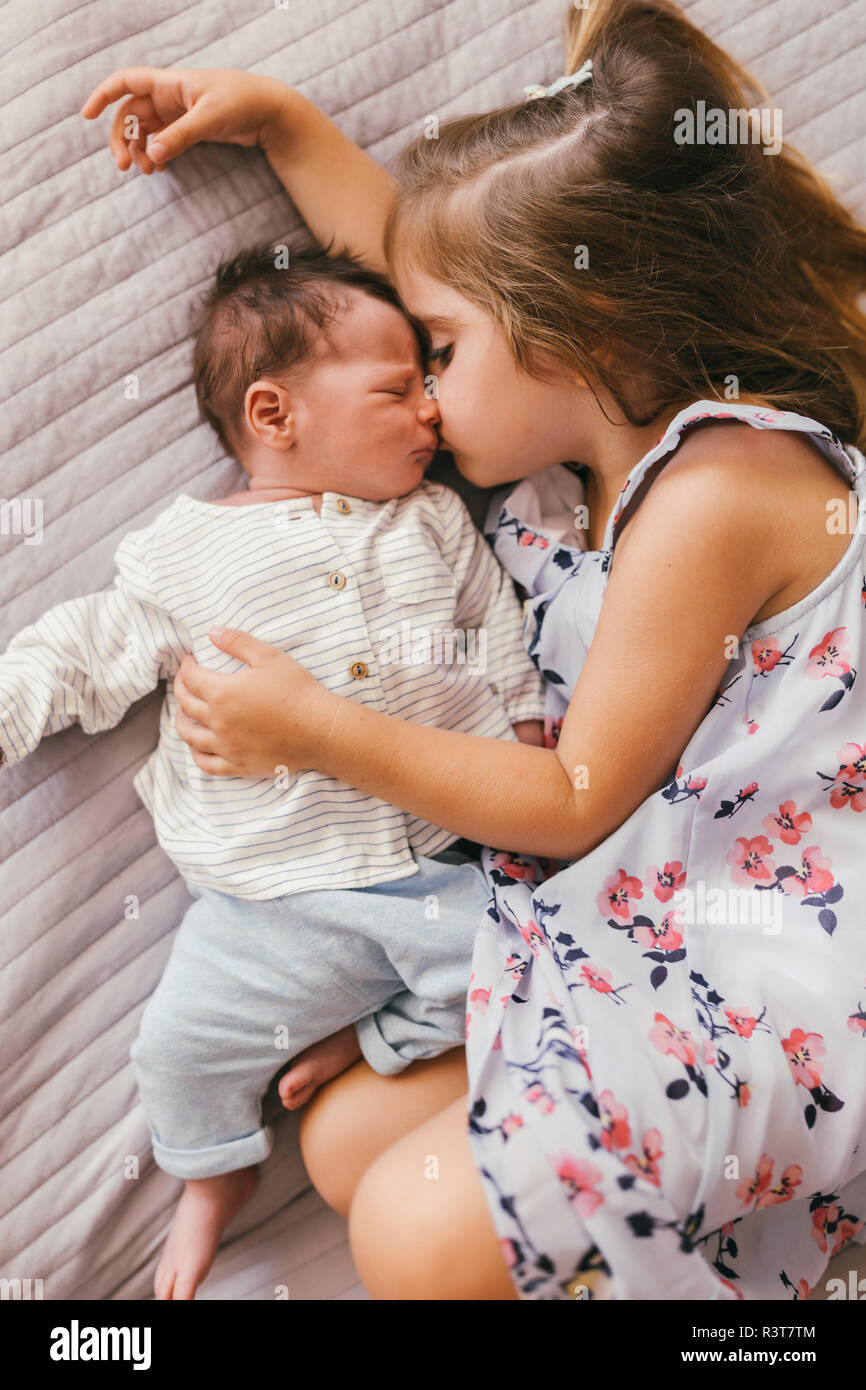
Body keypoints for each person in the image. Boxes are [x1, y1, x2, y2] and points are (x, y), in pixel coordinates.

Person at [81, 0, 866, 1299]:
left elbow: (565, 804)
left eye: (436, 352)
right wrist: (284, 121)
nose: (421, 396)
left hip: (790, 979)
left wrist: (314, 729)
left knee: (408, 1227)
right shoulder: (563, 488)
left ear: (579, 324)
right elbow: (411, 259)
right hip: (646, 934)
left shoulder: (716, 492)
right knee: (340, 1140)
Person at [0, 240, 547, 1299]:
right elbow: (84, 646)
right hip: (271, 902)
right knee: (173, 1050)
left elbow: (494, 624)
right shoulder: (185, 550)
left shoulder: (433, 520)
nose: (431, 413)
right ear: (272, 414)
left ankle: (375, 1040)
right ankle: (212, 1176)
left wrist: (522, 724)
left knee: (516, 973)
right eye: (399, 389)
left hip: (443, 863)